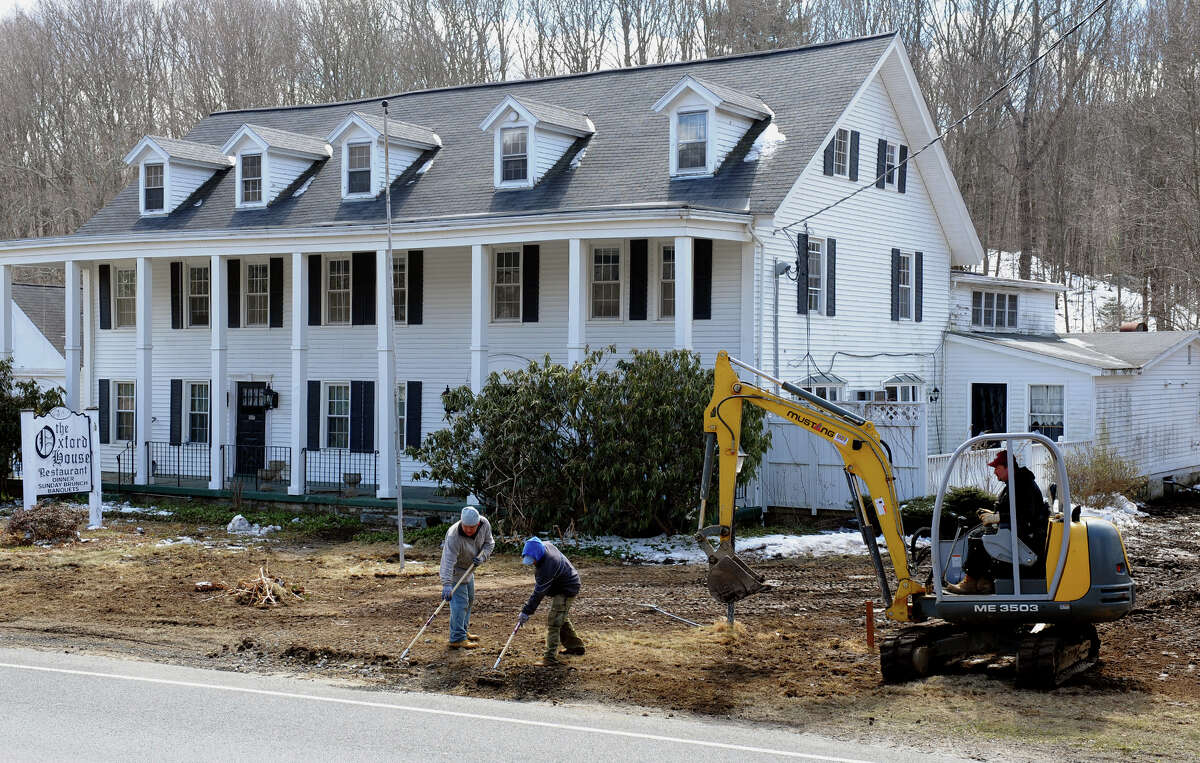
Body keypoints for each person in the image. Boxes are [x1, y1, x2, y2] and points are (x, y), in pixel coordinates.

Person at [946, 450, 1050, 595]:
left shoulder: (1022, 485)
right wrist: (994, 515)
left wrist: (998, 518)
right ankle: (985, 581)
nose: (994, 472)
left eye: (997, 468)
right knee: (982, 532)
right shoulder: (1015, 483)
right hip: (1019, 532)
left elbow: (1025, 515)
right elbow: (1013, 509)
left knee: (979, 538)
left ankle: (971, 582)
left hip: (1025, 538)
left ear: (1008, 467)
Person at [516, 536, 585, 666]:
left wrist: (526, 611)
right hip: (562, 583)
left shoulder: (548, 564)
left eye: (533, 560)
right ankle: (575, 646)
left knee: (554, 621)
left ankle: (550, 658)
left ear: (539, 555)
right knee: (561, 617)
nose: (532, 563)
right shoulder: (544, 546)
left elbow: (538, 593)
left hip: (567, 588)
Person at [439, 506, 494, 648]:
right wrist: (446, 583)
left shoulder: (485, 524)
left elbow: (489, 543)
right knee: (460, 604)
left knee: (469, 600)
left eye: (472, 527)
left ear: (478, 524)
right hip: (456, 570)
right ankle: (457, 638)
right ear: (461, 522)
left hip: (470, 568)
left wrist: (483, 557)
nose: (469, 530)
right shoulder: (453, 536)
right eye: (466, 527)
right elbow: (448, 560)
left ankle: (463, 630)